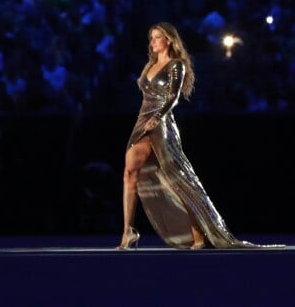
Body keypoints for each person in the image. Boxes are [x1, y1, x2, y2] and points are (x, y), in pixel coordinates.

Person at [116, 22, 283, 250]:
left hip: (160, 123)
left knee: (177, 180)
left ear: (169, 40)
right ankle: (129, 231)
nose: (152, 41)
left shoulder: (176, 65)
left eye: (157, 37)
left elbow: (173, 97)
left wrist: (159, 116)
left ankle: (198, 231)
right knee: (129, 172)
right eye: (151, 37)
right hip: (142, 121)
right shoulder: (150, 65)